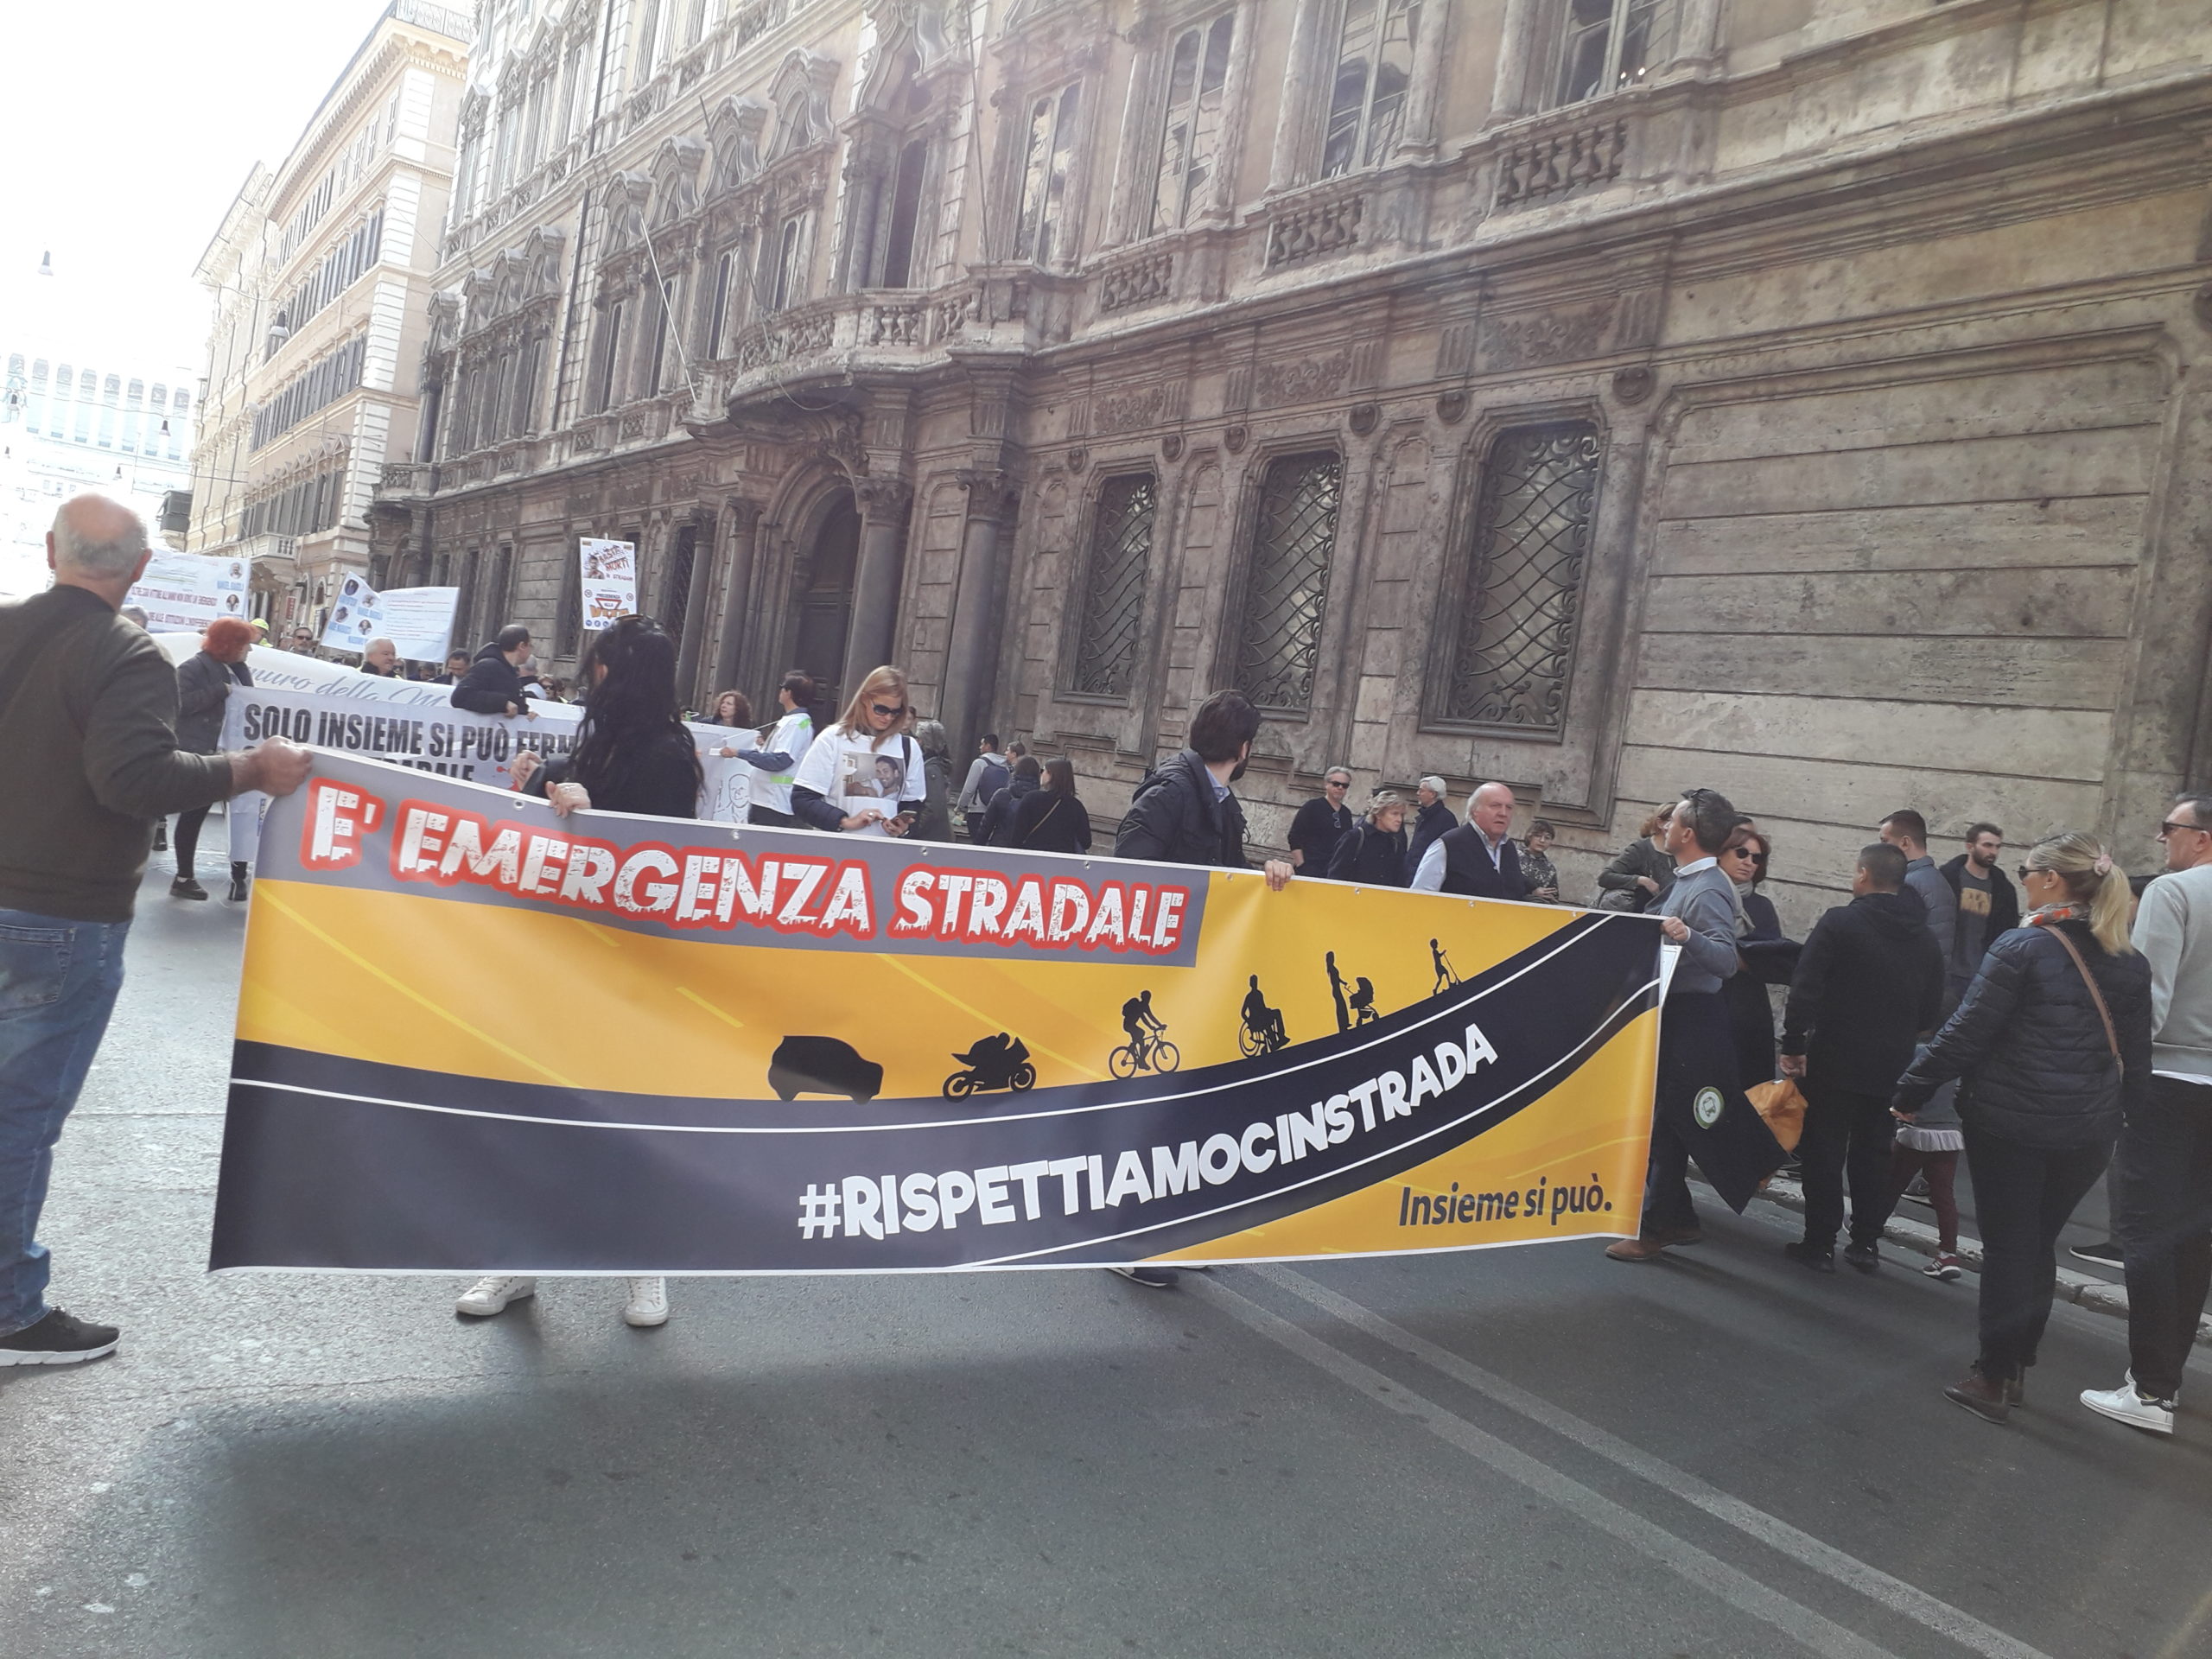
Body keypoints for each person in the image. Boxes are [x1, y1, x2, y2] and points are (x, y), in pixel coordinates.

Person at [0, 495, 311, 1368]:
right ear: (138, 570)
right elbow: (133, 779)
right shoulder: (124, 652)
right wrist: (249, 768)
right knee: (18, 1117)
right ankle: (8, 1309)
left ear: (48, 548)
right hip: (59, 918)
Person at [461, 616, 703, 1332]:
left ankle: (644, 1267)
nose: (591, 678)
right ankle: (518, 1257)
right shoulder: (601, 741)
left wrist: (594, 812)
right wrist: (542, 785)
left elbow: (663, 858)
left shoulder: (668, 751)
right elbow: (573, 825)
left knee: (629, 1123)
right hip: (567, 956)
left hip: (630, 967)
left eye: (601, 667)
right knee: (544, 1114)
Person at [1892, 831, 2151, 1424]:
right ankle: (2015, 1363)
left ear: (2053, 879)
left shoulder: (2022, 946)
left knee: (2011, 1245)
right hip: (2088, 1132)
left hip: (2011, 1122)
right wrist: (2127, 1117)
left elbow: (1965, 1032)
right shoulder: (2128, 958)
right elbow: (2137, 1056)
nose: (2024, 878)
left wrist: (1911, 1088)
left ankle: (1994, 1376)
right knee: (2039, 1243)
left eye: (2029, 870)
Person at [1111, 689, 1295, 1288]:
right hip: (1162, 979)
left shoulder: (1221, 802)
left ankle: (1177, 1233)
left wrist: (1266, 874)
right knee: (1152, 1112)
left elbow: (1229, 875)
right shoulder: (1170, 793)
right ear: (1243, 749)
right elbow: (1132, 873)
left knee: (1193, 1111)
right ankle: (1131, 1241)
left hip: (1201, 981)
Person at [2079, 794, 2212, 1436]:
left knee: (2148, 1234)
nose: (2163, 840)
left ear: (2203, 839)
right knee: (2194, 1243)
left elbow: (2148, 1000)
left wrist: (2117, 1082)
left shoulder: (2176, 892)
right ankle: (2164, 1383)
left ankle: (2150, 1391)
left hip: (2167, 1081)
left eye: (2171, 830)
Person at [1607, 787, 1782, 1262]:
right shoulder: (1689, 878)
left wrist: (1687, 937)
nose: (1664, 827)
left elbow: (1726, 960)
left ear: (1686, 833)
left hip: (1692, 1018)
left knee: (1667, 1126)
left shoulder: (1705, 887)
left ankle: (1655, 1229)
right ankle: (1677, 1221)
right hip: (1675, 1015)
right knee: (1667, 1123)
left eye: (1673, 822)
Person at [1777, 843, 1946, 1274]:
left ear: (1863, 875)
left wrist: (1793, 1043)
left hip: (1835, 1055)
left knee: (1824, 1151)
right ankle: (1866, 1242)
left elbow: (1806, 986)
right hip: (1891, 1061)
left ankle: (1819, 1243)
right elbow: (1932, 1009)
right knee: (1874, 1153)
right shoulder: (1924, 937)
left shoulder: (1841, 922)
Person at [169, 618, 257, 903]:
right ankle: (184, 876)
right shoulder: (193, 668)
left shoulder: (241, 670)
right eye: (244, 644)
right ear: (228, 644)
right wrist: (219, 691)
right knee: (194, 815)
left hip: (235, 751)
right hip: (204, 753)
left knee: (241, 814)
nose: (248, 650)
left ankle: (239, 877)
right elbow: (179, 704)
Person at [790, 664, 925, 837]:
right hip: (836, 851)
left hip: (887, 852)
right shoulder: (833, 738)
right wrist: (846, 822)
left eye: (895, 712)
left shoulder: (909, 747)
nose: (888, 718)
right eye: (881, 709)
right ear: (864, 700)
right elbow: (803, 799)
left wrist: (903, 827)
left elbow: (913, 805)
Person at [1719, 825, 1794, 1092]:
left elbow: (1772, 959)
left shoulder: (1761, 906)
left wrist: (1737, 955)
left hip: (1746, 1006)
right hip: (1706, 1000)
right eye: (1742, 853)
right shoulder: (1705, 895)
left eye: (1756, 857)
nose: (1749, 862)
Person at [1879, 810, 1961, 995]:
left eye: (1885, 841)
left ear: (1905, 842)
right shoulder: (1936, 879)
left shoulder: (1908, 884)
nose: (1881, 849)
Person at [1410, 782, 1522, 899]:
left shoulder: (1508, 848)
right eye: (1495, 806)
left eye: (1509, 807)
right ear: (1475, 810)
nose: (1503, 813)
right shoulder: (1448, 845)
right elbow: (1420, 898)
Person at [735, 671, 818, 829]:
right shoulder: (794, 721)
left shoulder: (796, 723)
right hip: (767, 797)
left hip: (774, 801)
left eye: (782, 687)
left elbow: (781, 760)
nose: (780, 691)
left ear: (789, 693)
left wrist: (740, 753)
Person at [1942, 823, 2019, 967]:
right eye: (1987, 845)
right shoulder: (1946, 880)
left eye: (1997, 846)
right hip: (1947, 969)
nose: (1993, 852)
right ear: (1970, 846)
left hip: (1982, 971)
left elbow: (2007, 934)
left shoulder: (2004, 890)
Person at [1594, 805, 1675, 912]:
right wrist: (1642, 880)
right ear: (1661, 823)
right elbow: (1605, 877)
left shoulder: (1681, 852)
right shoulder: (1639, 849)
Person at [1007, 757, 1091, 855]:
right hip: (1062, 862)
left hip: (1032, 859)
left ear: (1051, 775)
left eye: (1044, 771)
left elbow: (1016, 837)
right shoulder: (1077, 806)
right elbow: (1086, 842)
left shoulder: (1032, 798)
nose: (1041, 774)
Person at [451, 625, 538, 718]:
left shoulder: (511, 671)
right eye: (530, 645)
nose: (531, 650)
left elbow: (513, 706)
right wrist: (502, 703)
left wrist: (525, 714)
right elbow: (461, 697)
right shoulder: (488, 666)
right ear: (521, 646)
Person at [1326, 791, 1408, 885]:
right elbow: (1335, 875)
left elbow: (1399, 882)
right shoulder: (1355, 837)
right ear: (1379, 814)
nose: (1399, 820)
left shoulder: (1395, 845)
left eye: (1401, 815)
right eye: (1394, 814)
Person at [1287, 767, 1354, 874]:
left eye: (1345, 785)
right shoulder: (1312, 806)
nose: (1340, 788)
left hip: (1335, 870)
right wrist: (1301, 865)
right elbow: (1295, 836)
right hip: (1311, 867)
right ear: (1326, 784)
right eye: (1336, 784)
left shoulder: (1346, 813)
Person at [955, 733, 1010, 842]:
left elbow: (969, 789)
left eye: (982, 744)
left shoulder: (979, 763)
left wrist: (960, 806)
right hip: (997, 811)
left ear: (988, 746)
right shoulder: (1005, 766)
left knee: (977, 843)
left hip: (977, 810)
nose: (980, 747)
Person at [910, 719, 956, 842]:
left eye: (918, 739)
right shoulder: (930, 766)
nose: (915, 742)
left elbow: (932, 808)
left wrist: (914, 830)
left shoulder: (931, 770)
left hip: (930, 838)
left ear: (925, 742)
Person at [1404, 775, 1456, 883]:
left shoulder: (1446, 819)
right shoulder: (1423, 816)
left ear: (1433, 794)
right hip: (1413, 874)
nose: (1418, 793)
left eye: (1422, 791)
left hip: (1428, 877)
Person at [982, 755, 1042, 847]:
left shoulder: (1002, 794)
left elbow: (986, 826)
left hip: (999, 847)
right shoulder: (1041, 799)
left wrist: (979, 846)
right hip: (1026, 852)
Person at [1121, 990, 1167, 1071]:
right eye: (1148, 998)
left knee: (1140, 1036)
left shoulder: (1145, 1006)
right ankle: (1141, 1061)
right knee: (1141, 1033)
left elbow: (1151, 1017)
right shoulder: (1138, 1005)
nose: (1148, 1000)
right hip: (1128, 1025)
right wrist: (1152, 1027)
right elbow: (1144, 1019)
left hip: (1131, 1025)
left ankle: (1137, 1054)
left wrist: (1159, 1025)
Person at [1240, 975, 1287, 1052]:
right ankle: (1274, 1042)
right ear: (1251, 984)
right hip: (1257, 1021)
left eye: (1256, 982)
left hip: (1262, 1016)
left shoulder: (1259, 994)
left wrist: (1268, 1010)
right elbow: (1243, 1012)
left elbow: (1262, 1008)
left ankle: (1281, 1036)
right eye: (1253, 982)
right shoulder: (1249, 996)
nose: (1255, 983)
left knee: (1277, 1012)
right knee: (1266, 1022)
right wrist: (1249, 1021)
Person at [701, 690, 754, 754]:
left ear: (738, 708)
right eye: (722, 703)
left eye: (729, 704)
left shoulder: (749, 728)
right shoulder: (706, 723)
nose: (723, 706)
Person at [1521, 819, 1561, 903]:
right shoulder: (1515, 856)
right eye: (1538, 836)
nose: (1542, 840)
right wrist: (1532, 893)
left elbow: (1554, 898)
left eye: (1547, 838)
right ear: (1530, 836)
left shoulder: (1549, 868)